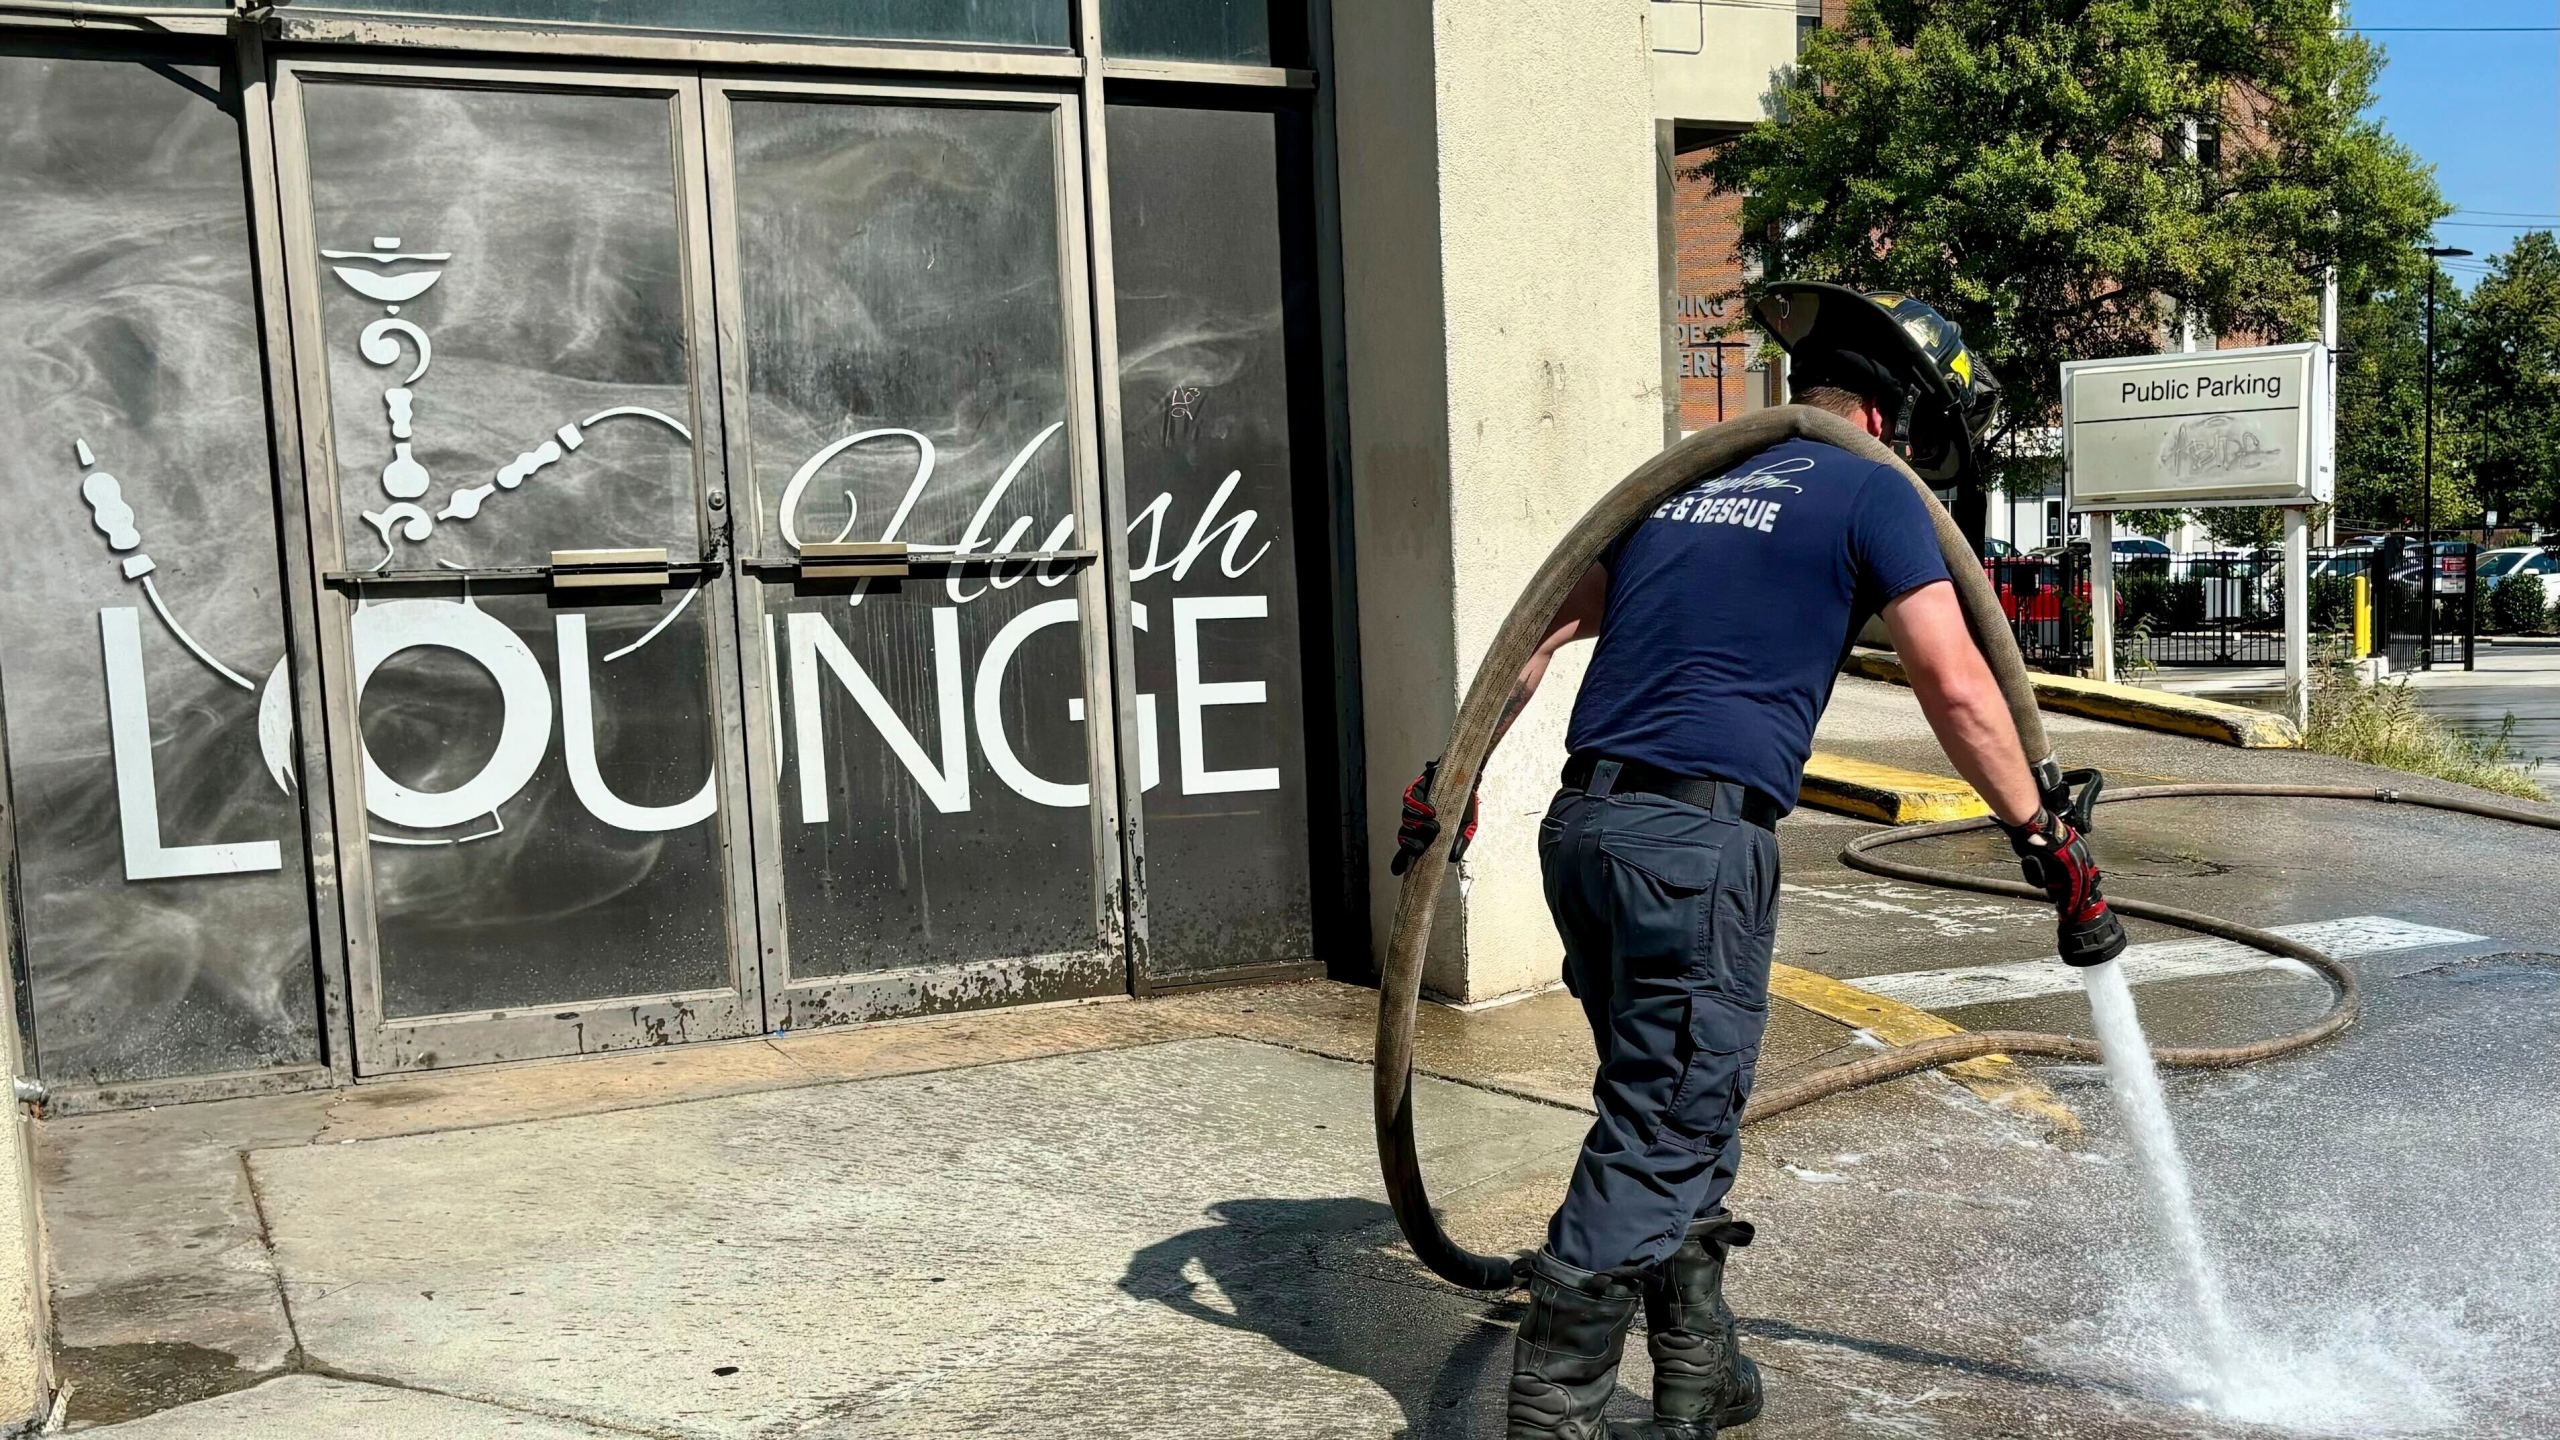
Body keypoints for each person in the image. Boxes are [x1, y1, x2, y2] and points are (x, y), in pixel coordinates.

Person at [1389, 283, 2127, 1439]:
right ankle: (1551, 1414)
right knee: (1671, 1118)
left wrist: (1454, 778)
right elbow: (1954, 679)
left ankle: (1697, 1374)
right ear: (1896, 417)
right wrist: (2041, 829)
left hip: (1585, 831)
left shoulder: (1682, 485)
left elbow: (1536, 636)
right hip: (1694, 844)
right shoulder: (1875, 493)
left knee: (1667, 1094)